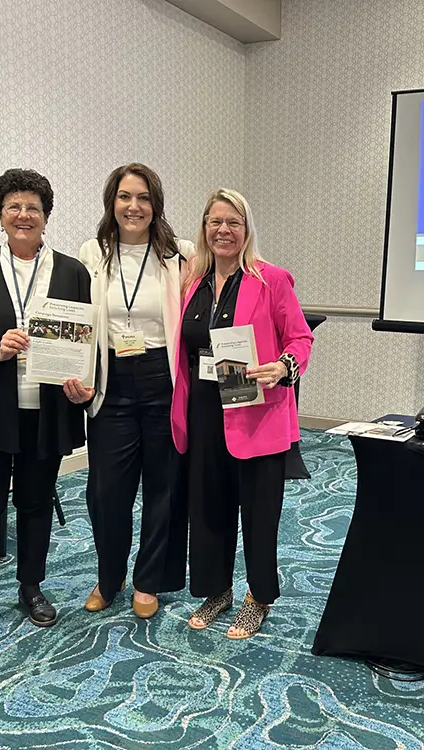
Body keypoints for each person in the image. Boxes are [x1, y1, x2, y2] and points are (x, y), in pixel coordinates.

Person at [0, 168, 91, 641]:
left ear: (46, 216)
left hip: (45, 412)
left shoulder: (72, 271)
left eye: (33, 207)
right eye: (14, 206)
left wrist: (83, 383)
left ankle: (31, 587)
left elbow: (85, 343)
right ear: (0, 214)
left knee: (34, 505)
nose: (24, 214)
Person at [171, 188, 313, 639]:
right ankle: (217, 590)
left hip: (256, 410)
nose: (223, 231)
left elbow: (300, 339)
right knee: (209, 506)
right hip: (204, 410)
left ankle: (258, 596)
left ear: (247, 229)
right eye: (215, 222)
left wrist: (285, 367)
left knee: (258, 510)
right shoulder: (192, 282)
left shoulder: (271, 280)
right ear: (204, 228)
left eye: (233, 222)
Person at [68, 164, 193, 618]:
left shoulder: (180, 254)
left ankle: (147, 580)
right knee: (107, 491)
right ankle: (109, 575)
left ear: (155, 204)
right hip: (110, 382)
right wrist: (76, 374)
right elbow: (79, 322)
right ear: (111, 202)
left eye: (142, 198)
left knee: (163, 486)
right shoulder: (92, 253)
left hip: (163, 379)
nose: (133, 206)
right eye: (124, 197)